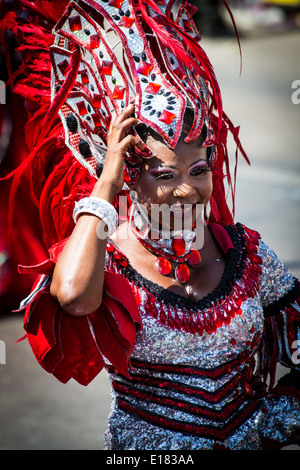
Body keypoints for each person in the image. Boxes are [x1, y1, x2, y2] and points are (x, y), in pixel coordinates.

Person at [2, 0, 299, 450]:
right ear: (132, 177)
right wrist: (104, 184)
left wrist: (270, 426)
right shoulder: (111, 257)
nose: (186, 190)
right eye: (165, 176)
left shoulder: (247, 254)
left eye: (198, 171)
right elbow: (74, 299)